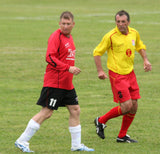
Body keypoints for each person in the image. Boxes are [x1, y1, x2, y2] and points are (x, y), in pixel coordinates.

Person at [15, 11, 94, 152]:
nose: (65, 26)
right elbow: (49, 58)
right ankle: (22, 141)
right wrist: (68, 68)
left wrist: (69, 70)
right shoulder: (55, 37)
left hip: (67, 83)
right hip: (55, 82)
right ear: (59, 24)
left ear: (73, 24)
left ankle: (76, 145)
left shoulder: (69, 38)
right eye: (63, 23)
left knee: (75, 110)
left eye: (68, 24)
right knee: (47, 112)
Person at [93, 10, 152, 143]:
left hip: (130, 73)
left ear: (128, 22)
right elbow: (97, 52)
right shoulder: (111, 36)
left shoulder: (134, 33)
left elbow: (140, 46)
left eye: (123, 22)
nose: (120, 24)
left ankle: (122, 136)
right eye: (118, 22)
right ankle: (101, 121)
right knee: (126, 106)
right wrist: (100, 71)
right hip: (117, 75)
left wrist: (145, 60)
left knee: (134, 106)